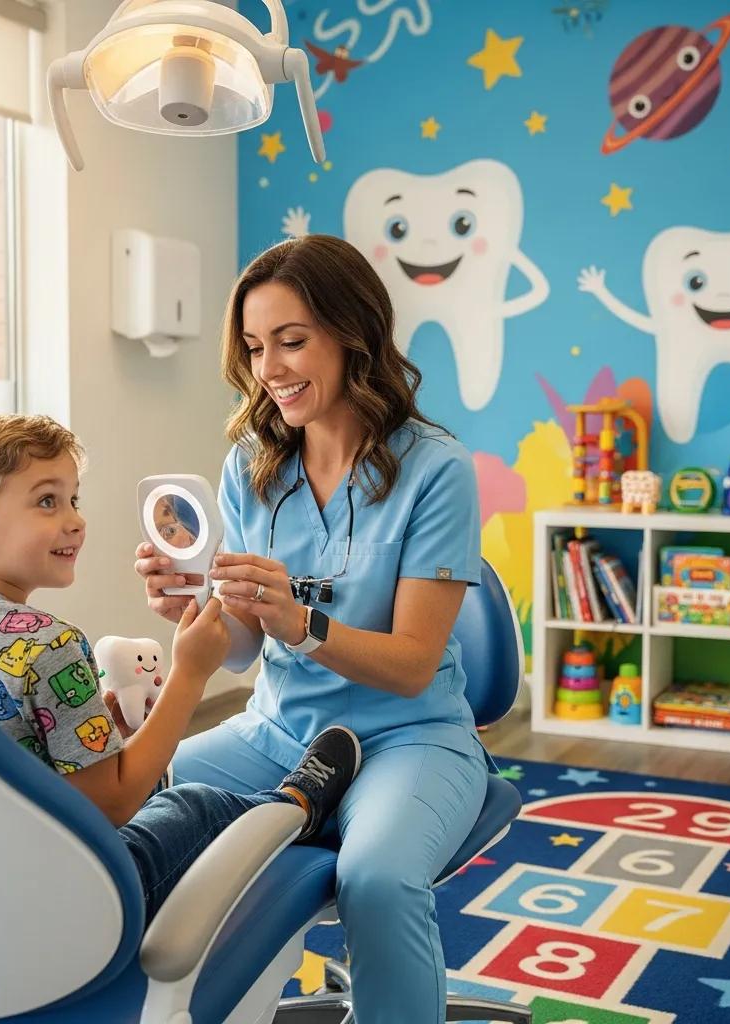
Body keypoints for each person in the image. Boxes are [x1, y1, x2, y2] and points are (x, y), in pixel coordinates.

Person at [136, 235, 491, 1022]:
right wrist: (191, 613)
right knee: (134, 806)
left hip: (409, 736)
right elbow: (239, 650)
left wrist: (301, 623)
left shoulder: (436, 469)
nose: (270, 369)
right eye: (257, 348)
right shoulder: (253, 465)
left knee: (377, 880)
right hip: (275, 731)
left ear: (353, 333)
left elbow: (410, 666)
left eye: (292, 341)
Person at [0, 412, 361, 923]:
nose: (75, 520)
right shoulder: (49, 644)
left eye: (73, 499)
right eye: (46, 501)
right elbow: (117, 802)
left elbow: (20, 758)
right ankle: (298, 806)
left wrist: (102, 737)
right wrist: (191, 673)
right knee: (193, 807)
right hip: (82, 903)